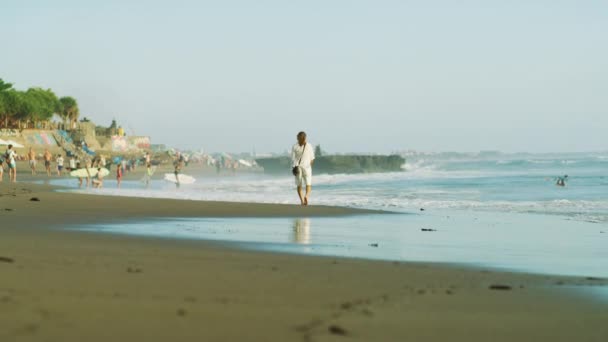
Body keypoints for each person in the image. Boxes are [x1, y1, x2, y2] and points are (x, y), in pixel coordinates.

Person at [291, 131, 315, 205]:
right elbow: (312, 158)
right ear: (305, 137)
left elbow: (292, 159)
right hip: (307, 167)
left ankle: (302, 201)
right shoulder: (309, 146)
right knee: (308, 184)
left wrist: (293, 168)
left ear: (298, 138)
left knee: (299, 185)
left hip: (298, 167)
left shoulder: (294, 146)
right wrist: (309, 166)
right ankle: (306, 196)